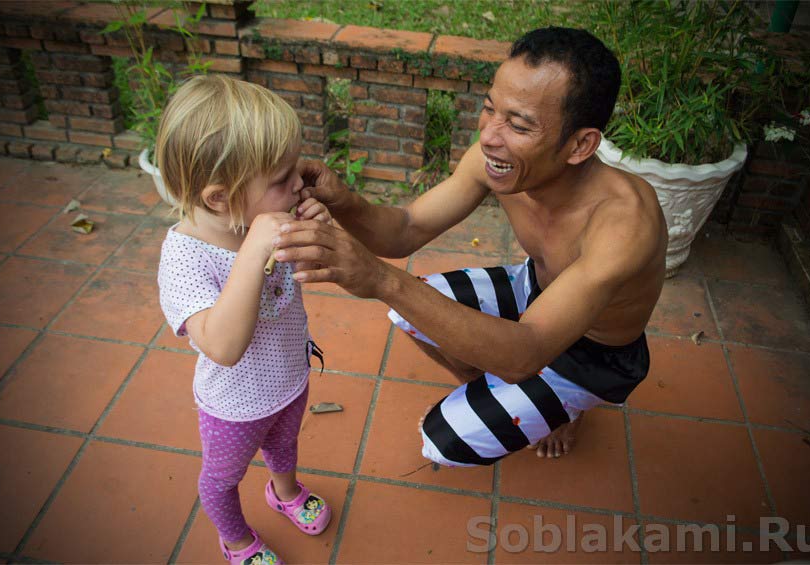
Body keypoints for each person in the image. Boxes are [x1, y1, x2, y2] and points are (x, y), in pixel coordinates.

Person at [272, 26, 668, 466]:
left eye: (518, 124)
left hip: (592, 355)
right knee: (411, 307)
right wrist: (344, 200)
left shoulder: (623, 222)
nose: (489, 136)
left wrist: (380, 278)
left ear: (580, 144)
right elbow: (405, 228)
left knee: (443, 441)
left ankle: (564, 408)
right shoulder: (498, 162)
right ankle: (503, 391)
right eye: (489, 109)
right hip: (531, 292)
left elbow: (526, 351)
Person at [155, 75, 332, 565]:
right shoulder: (185, 259)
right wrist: (256, 249)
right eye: (281, 179)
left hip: (289, 378)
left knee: (285, 444)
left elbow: (312, 273)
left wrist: (317, 230)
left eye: (295, 169)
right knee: (221, 478)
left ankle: (285, 491)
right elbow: (223, 346)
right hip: (233, 406)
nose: (298, 184)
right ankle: (235, 539)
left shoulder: (268, 218)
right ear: (219, 197)